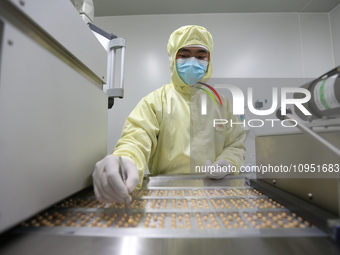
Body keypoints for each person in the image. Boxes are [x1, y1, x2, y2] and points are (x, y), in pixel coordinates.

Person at [93, 25, 246, 203]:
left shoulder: (222, 103)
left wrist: (227, 162)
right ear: (173, 59)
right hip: (168, 196)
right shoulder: (155, 101)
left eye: (200, 56)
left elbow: (236, 144)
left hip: (216, 196)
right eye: (185, 55)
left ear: (209, 60)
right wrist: (124, 161)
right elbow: (135, 140)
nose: (193, 61)